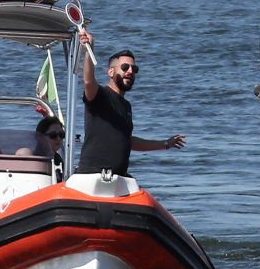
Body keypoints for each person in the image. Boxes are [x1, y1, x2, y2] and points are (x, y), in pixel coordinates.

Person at [77, 33, 186, 175]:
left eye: (134, 69)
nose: (130, 71)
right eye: (124, 67)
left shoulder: (126, 106)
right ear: (111, 71)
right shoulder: (100, 95)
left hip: (118, 177)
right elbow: (88, 81)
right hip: (92, 174)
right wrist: (89, 50)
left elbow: (127, 141)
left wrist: (165, 144)